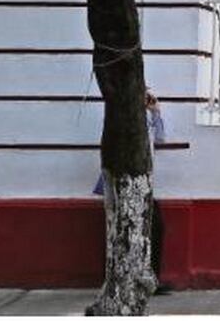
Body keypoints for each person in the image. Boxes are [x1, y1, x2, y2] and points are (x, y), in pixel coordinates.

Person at [92, 88, 168, 295]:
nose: (147, 98)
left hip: (142, 183)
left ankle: (149, 279)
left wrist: (156, 112)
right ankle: (119, 280)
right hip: (124, 183)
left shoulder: (146, 121)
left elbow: (160, 139)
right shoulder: (123, 120)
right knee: (122, 231)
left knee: (154, 228)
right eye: (143, 94)